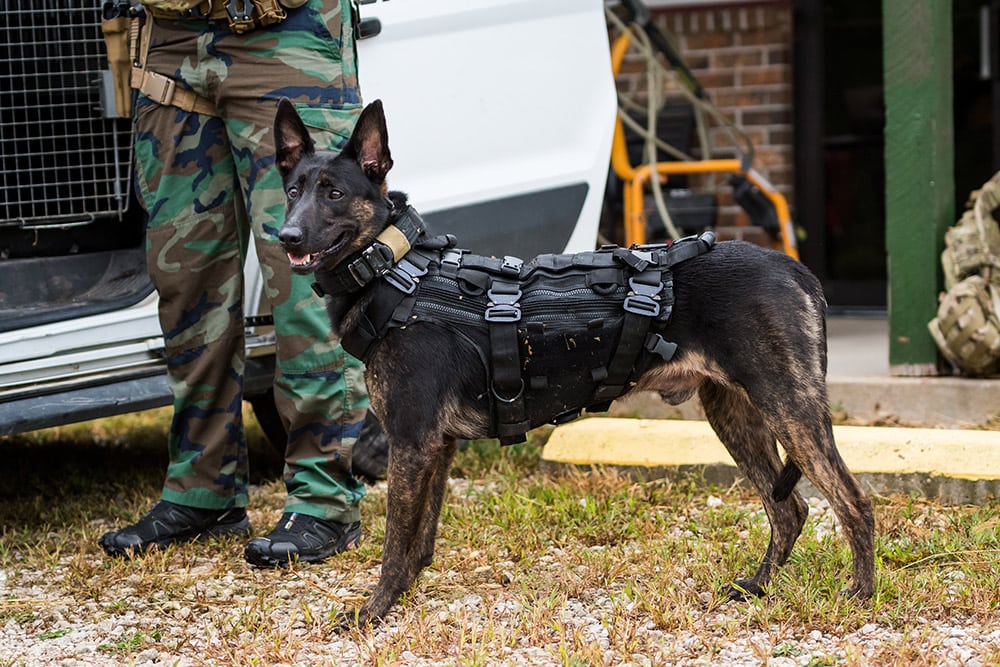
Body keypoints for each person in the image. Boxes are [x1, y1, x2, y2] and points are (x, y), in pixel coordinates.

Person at [98, 0, 380, 567]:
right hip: (170, 37)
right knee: (186, 283)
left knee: (309, 286)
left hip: (285, 31)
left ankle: (325, 501)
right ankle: (204, 493)